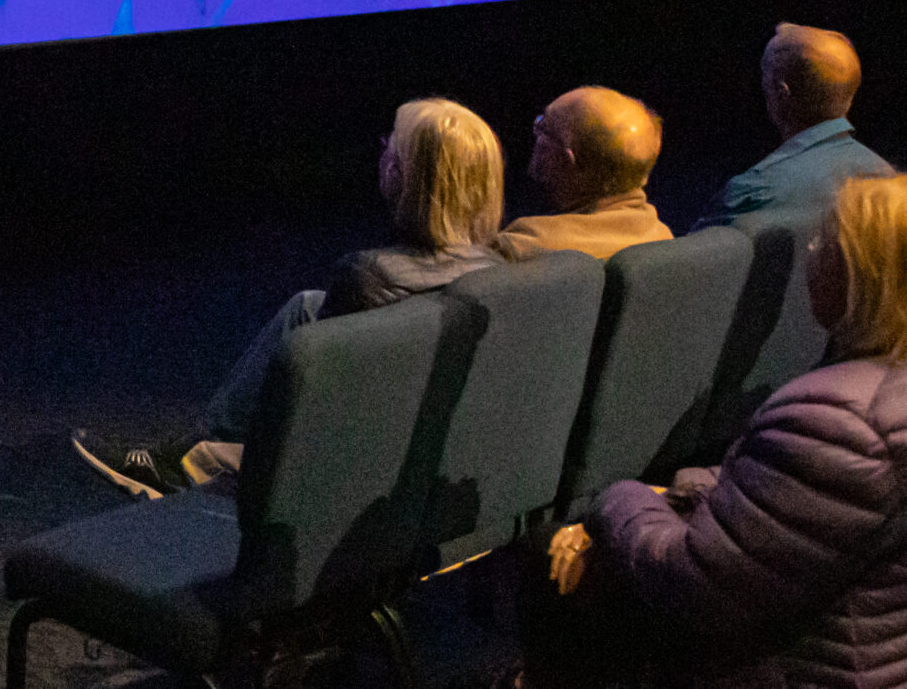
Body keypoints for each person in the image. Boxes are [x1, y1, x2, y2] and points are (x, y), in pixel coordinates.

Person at [537, 172, 907, 689]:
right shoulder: (876, 399)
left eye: (825, 243)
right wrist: (683, 489)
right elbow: (794, 498)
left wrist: (617, 498)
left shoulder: (841, 421)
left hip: (789, 669)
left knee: (553, 555)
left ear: (861, 275)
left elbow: (691, 585)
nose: (811, 253)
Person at [73, 97, 505, 497]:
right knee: (306, 306)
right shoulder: (498, 273)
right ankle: (190, 448)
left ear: (402, 177)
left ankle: (186, 465)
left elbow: (317, 402)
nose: (383, 157)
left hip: (353, 471)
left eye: (390, 149)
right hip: (433, 453)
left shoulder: (370, 278)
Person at [695, 23, 887, 230]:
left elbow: (697, 251)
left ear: (781, 93)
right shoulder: (887, 178)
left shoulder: (752, 192)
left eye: (764, 76)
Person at [496, 87, 672, 261]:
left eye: (543, 127)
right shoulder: (663, 238)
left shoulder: (519, 249)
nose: (536, 135)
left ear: (566, 161)